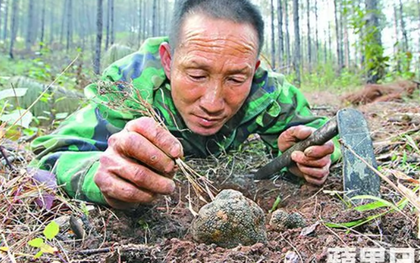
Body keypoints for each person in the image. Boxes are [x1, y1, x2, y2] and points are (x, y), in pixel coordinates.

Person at [31, 0, 341, 210]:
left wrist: (310, 154)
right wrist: (97, 174)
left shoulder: (267, 89)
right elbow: (51, 155)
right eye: (196, 74)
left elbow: (323, 134)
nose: (212, 102)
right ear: (168, 61)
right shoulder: (132, 85)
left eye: (235, 79)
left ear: (254, 68)